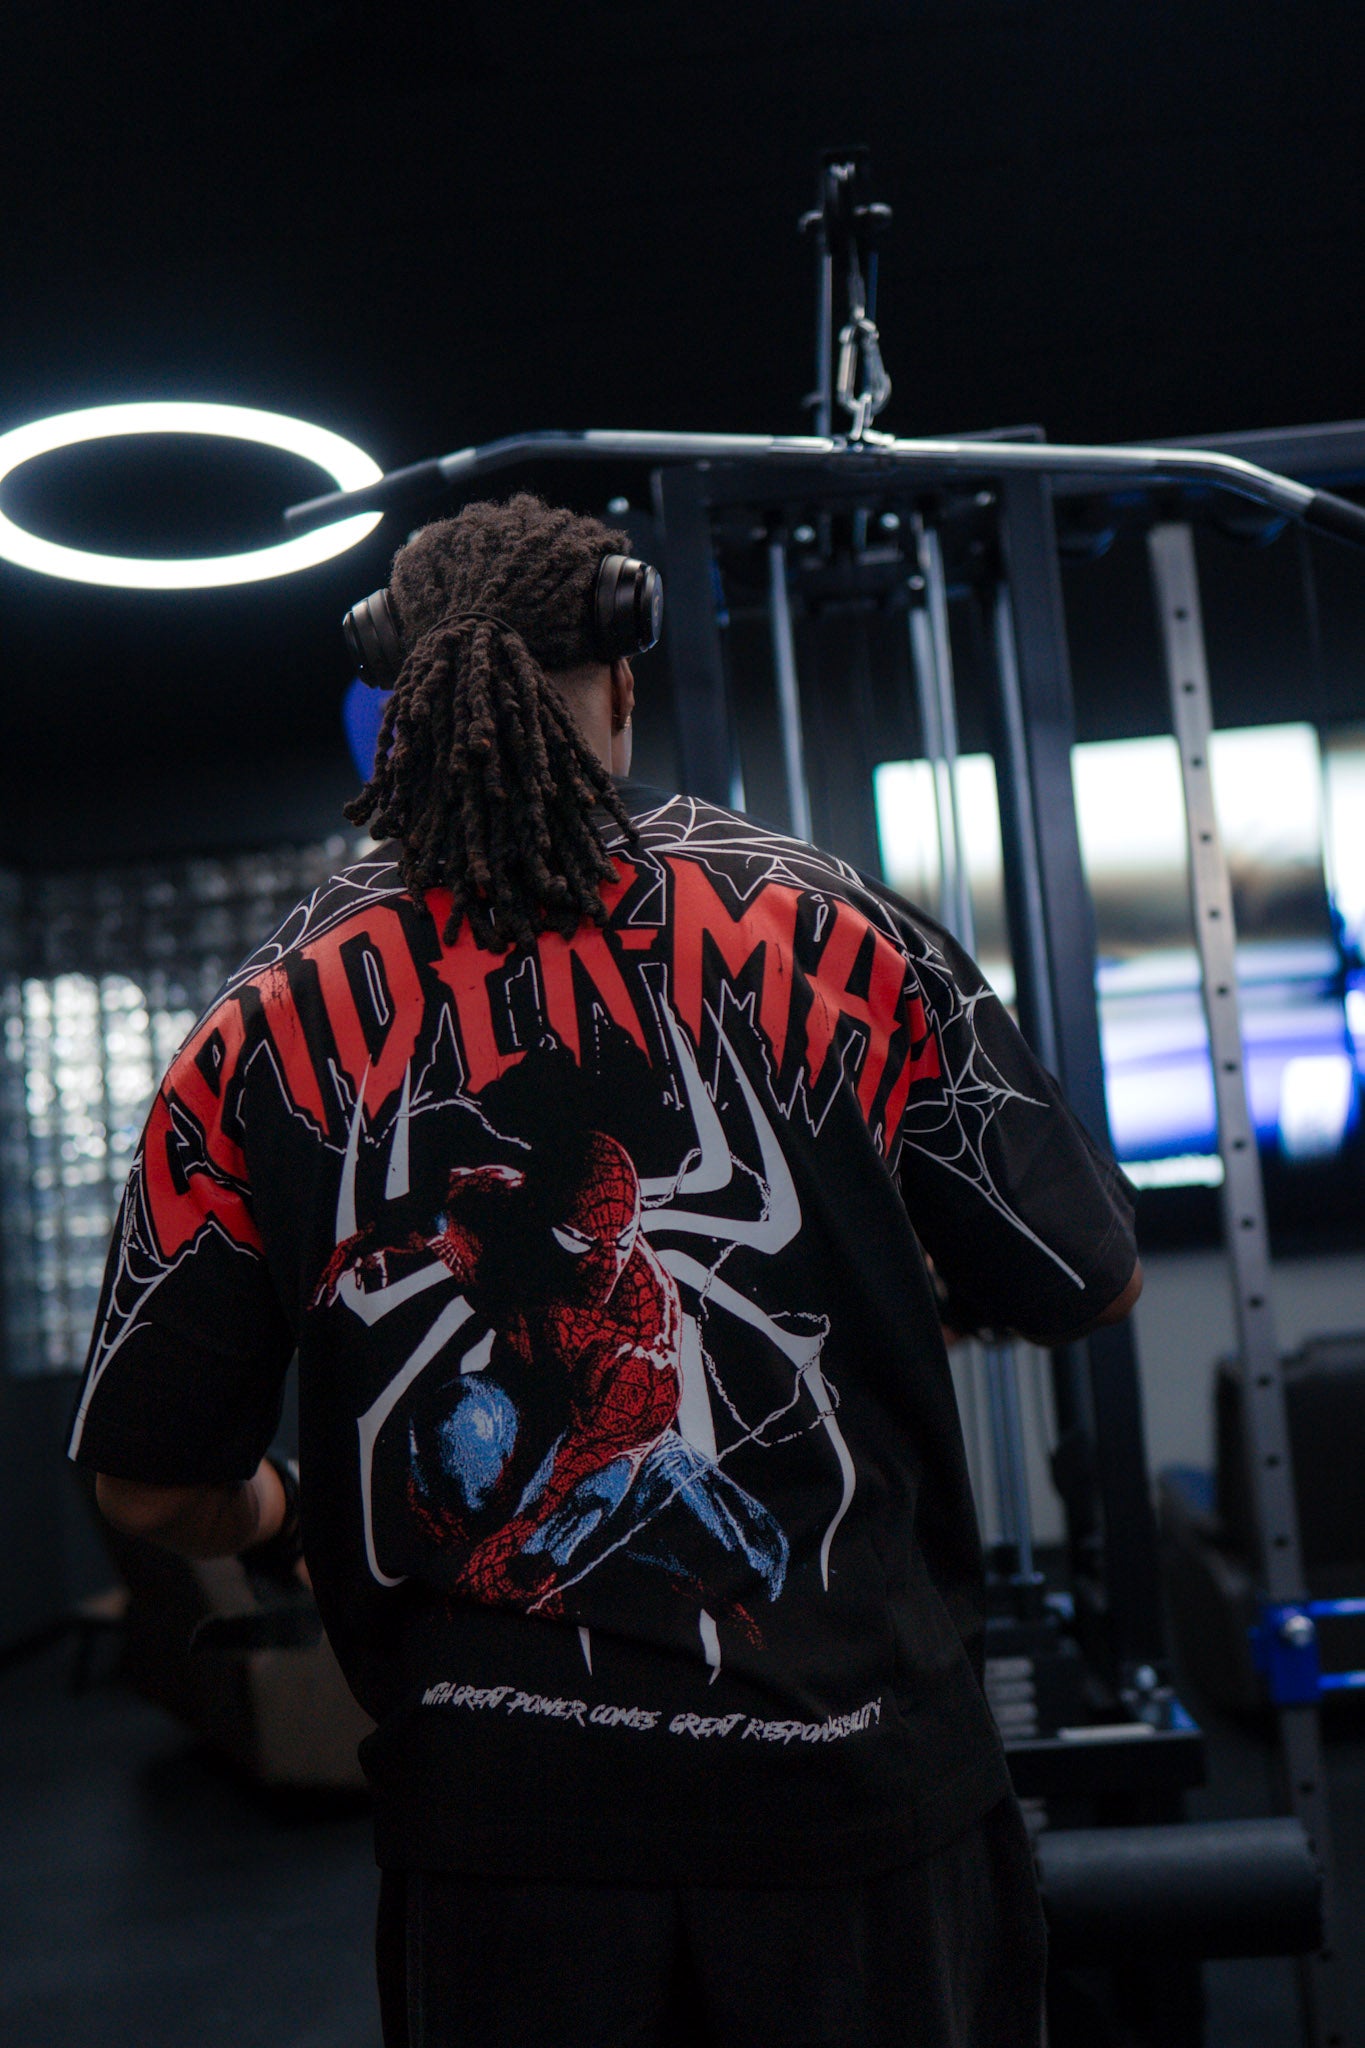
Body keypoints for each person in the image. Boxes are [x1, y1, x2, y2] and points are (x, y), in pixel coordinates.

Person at [71, 492, 1141, 2048]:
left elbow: (153, 1489)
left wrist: (289, 1516)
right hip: (852, 1797)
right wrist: (895, 1277)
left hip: (505, 1845)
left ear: (396, 700)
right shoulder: (835, 927)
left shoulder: (262, 1019)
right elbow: (1087, 1280)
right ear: (624, 679)